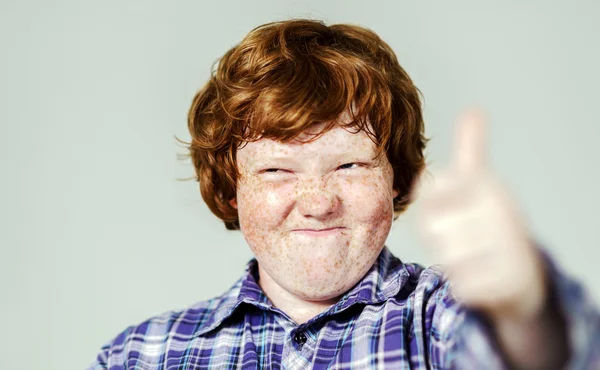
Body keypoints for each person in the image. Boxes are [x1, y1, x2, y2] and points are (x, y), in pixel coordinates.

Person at [89, 19, 600, 369]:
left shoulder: (446, 318)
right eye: (275, 170)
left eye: (350, 164)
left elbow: (544, 354)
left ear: (397, 175)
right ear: (231, 190)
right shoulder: (139, 356)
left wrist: (525, 307)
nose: (316, 201)